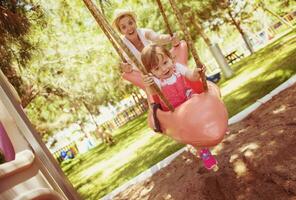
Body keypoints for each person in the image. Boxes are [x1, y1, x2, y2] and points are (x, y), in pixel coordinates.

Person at [141, 44, 218, 171]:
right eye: (157, 68)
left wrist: (197, 72)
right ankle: (204, 152)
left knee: (201, 102)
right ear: (151, 73)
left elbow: (191, 76)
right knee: (191, 132)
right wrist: (148, 85)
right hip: (175, 110)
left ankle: (214, 127)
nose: (163, 69)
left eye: (165, 62)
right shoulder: (158, 81)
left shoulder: (178, 68)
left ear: (171, 58)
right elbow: (153, 92)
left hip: (188, 99)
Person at [112, 9, 186, 88]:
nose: (129, 28)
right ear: (121, 31)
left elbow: (158, 38)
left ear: (135, 22)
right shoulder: (123, 46)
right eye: (124, 27)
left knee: (173, 66)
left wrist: (170, 38)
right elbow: (125, 65)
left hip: (158, 66)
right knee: (153, 83)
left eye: (130, 23)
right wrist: (126, 68)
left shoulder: (144, 33)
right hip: (145, 75)